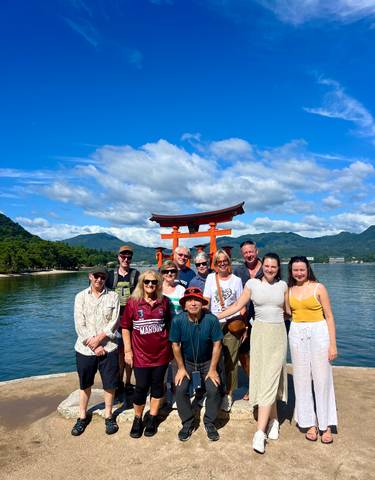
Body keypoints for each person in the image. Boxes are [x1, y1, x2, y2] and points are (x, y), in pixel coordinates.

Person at [217, 253, 289, 454]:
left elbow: (289, 311)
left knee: (271, 377)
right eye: (267, 265)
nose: (270, 269)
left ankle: (260, 432)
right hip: (259, 334)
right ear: (262, 266)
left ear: (278, 268)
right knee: (264, 377)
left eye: (273, 266)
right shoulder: (252, 284)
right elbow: (237, 306)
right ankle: (274, 420)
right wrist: (216, 317)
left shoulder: (283, 286)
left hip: (277, 334)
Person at [288, 256, 338, 444]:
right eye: (295, 270)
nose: (299, 273)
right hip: (297, 332)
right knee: (301, 379)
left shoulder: (319, 288)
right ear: (291, 271)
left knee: (322, 379)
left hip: (319, 331)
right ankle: (309, 422)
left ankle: (326, 425)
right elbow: (286, 312)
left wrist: (333, 344)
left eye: (302, 269)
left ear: (307, 269)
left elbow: (330, 316)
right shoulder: (289, 290)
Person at [121, 269, 171, 438]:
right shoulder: (133, 303)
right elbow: (126, 327)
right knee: (141, 387)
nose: (150, 285)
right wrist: (128, 351)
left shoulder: (164, 302)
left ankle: (153, 417)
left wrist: (172, 348)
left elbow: (169, 326)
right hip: (140, 355)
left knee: (157, 387)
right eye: (147, 282)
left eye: (154, 282)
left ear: (158, 284)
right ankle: (137, 418)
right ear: (142, 283)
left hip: (161, 354)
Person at [71, 266, 120, 436]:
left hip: (109, 347)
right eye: (96, 276)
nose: (99, 280)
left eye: (103, 277)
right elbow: (79, 324)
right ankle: (82, 416)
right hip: (85, 349)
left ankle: (108, 415)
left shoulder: (113, 296)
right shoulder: (80, 297)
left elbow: (114, 322)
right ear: (90, 276)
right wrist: (94, 345)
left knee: (110, 384)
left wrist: (100, 340)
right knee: (85, 384)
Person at [169, 287, 223, 442]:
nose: (193, 303)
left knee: (214, 388)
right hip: (186, 362)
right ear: (184, 305)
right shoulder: (178, 320)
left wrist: (213, 369)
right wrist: (180, 368)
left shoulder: (211, 320)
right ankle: (187, 422)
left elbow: (217, 344)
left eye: (197, 300)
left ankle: (209, 422)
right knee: (180, 389)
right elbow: (175, 345)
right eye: (189, 300)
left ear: (202, 303)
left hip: (207, 362)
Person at [203, 249, 244, 412]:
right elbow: (207, 299)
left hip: (232, 323)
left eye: (225, 261)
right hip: (214, 322)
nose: (222, 264)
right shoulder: (210, 278)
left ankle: (228, 393)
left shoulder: (237, 280)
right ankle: (212, 391)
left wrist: (244, 325)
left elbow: (240, 304)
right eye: (219, 262)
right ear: (215, 264)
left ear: (229, 262)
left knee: (231, 359)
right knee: (212, 358)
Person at [106, 245, 140, 395]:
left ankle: (128, 382)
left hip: (131, 319)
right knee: (118, 352)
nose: (126, 259)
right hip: (115, 320)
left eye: (129, 257)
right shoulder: (110, 276)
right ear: (118, 257)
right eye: (123, 257)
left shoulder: (135, 274)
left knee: (130, 351)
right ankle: (119, 380)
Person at [234, 240, 263, 400]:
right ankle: (253, 385)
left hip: (263, 319)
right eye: (245, 253)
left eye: (251, 251)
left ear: (256, 251)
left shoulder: (267, 268)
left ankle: (264, 388)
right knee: (243, 353)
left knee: (262, 354)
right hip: (245, 319)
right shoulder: (239, 271)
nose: (248, 255)